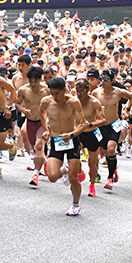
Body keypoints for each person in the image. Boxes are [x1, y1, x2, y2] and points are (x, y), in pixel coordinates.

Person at [40, 77, 89, 216]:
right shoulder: (46, 101)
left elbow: (82, 123)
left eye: (57, 93)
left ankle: (75, 204)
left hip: (71, 140)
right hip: (56, 141)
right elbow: (41, 112)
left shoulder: (73, 102)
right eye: (52, 93)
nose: (54, 96)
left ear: (64, 90)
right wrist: (46, 129)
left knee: (73, 178)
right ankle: (65, 169)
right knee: (52, 176)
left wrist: (72, 134)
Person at [92, 69, 132, 190]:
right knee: (103, 151)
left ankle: (110, 178)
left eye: (106, 79)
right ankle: (113, 168)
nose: (103, 82)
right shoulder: (96, 92)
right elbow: (90, 104)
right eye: (101, 79)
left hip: (114, 125)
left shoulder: (119, 92)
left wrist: (126, 109)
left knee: (111, 149)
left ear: (112, 80)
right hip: (100, 125)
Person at [15, 66, 51, 187]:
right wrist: (23, 111)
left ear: (40, 79)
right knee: (35, 148)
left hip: (42, 122)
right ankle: (45, 161)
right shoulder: (23, 90)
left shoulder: (47, 90)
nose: (33, 83)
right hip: (30, 122)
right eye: (31, 81)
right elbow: (17, 103)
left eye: (36, 81)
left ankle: (35, 175)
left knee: (39, 146)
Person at [75, 78, 106, 197]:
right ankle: (79, 172)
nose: (79, 94)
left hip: (92, 133)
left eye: (82, 91)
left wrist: (91, 124)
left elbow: (103, 120)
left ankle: (92, 184)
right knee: (74, 156)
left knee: (92, 164)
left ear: (88, 90)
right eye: (77, 91)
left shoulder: (94, 102)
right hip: (79, 133)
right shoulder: (74, 101)